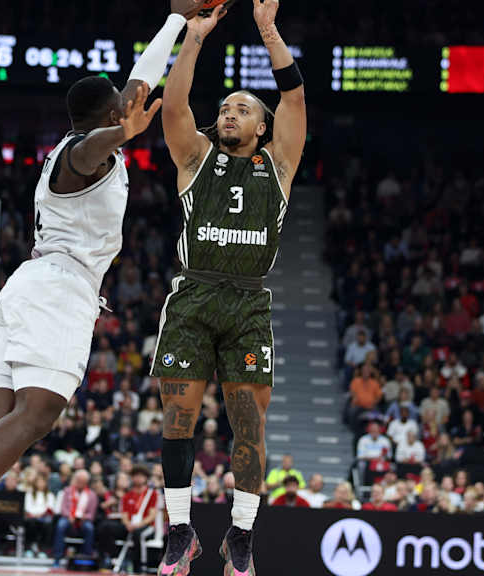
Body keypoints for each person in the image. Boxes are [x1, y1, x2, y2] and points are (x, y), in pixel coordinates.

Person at [0, 5, 201, 576]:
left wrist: (176, 22)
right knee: (38, 415)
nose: (134, 100)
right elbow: (91, 148)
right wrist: (121, 132)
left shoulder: (99, 136)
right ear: (108, 115)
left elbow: (143, 75)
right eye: (123, 106)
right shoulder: (81, 152)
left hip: (32, 286)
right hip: (57, 289)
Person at [152, 0, 307, 574]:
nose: (229, 114)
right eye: (223, 109)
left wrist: (268, 30)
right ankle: (180, 531)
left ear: (261, 126)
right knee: (178, 418)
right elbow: (173, 103)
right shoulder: (194, 157)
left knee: (249, 422)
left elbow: (295, 98)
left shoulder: (281, 163)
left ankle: (240, 534)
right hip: (193, 296)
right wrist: (193, 39)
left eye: (242, 109)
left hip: (247, 302)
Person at [99, 466, 159, 574]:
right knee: (106, 527)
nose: (138, 478)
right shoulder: (127, 496)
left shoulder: (152, 494)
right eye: (135, 476)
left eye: (141, 476)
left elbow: (152, 515)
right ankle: (113, 557)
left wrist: (138, 525)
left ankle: (141, 565)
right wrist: (127, 524)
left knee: (138, 534)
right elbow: (124, 515)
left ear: (146, 478)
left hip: (147, 526)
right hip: (130, 525)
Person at [52, 470, 98, 567]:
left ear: (86, 482)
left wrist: (83, 517)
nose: (81, 483)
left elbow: (91, 514)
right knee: (60, 525)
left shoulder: (92, 495)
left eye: (83, 481)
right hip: (68, 518)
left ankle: (86, 556)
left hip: (83, 520)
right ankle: (57, 557)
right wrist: (70, 516)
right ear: (75, 480)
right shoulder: (67, 491)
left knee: (90, 528)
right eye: (79, 481)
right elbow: (63, 508)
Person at [23, 474, 55, 558]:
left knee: (48, 524)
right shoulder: (29, 494)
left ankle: (43, 549)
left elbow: (50, 507)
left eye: (42, 482)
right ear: (35, 483)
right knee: (30, 523)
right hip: (32, 516)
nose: (40, 484)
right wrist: (34, 514)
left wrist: (41, 514)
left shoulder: (50, 495)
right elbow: (27, 506)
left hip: (44, 517)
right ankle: (29, 548)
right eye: (38, 482)